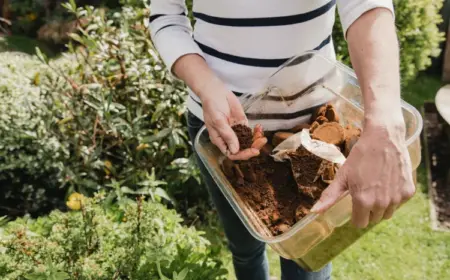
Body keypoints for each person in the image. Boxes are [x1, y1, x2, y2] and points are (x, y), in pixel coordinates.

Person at [149, 1, 416, 279]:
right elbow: (165, 16)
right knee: (245, 250)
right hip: (222, 130)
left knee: (309, 262)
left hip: (317, 130)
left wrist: (384, 124)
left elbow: (366, 4)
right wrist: (206, 85)